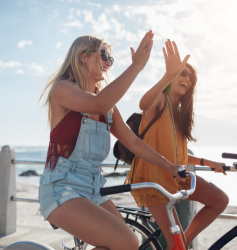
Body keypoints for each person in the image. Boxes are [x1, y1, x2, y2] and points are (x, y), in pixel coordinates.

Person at [38, 31, 187, 250]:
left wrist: (170, 166)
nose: (109, 62)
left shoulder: (107, 108)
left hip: (94, 190)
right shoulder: (63, 89)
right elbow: (98, 103)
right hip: (62, 188)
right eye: (104, 55)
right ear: (83, 57)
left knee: (127, 245)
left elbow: (134, 143)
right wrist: (136, 66)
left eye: (111, 58)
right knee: (127, 241)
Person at [124, 39, 229, 250]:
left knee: (220, 200)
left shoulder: (181, 116)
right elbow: (143, 103)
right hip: (153, 180)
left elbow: (177, 157)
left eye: (190, 77)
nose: (187, 79)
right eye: (182, 73)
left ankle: (181, 244)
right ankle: (178, 246)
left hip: (175, 175)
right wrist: (168, 74)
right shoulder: (160, 101)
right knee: (176, 243)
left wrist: (208, 162)